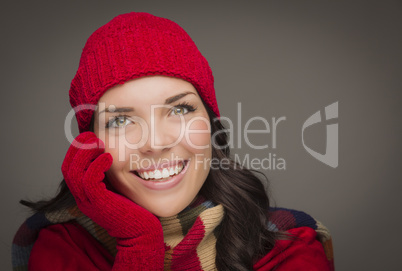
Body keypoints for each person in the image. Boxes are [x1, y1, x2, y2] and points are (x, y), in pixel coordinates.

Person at [12, 12, 334, 271]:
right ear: (90, 143)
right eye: (121, 120)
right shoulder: (62, 249)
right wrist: (139, 244)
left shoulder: (289, 247)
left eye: (179, 109)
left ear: (209, 123)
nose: (156, 143)